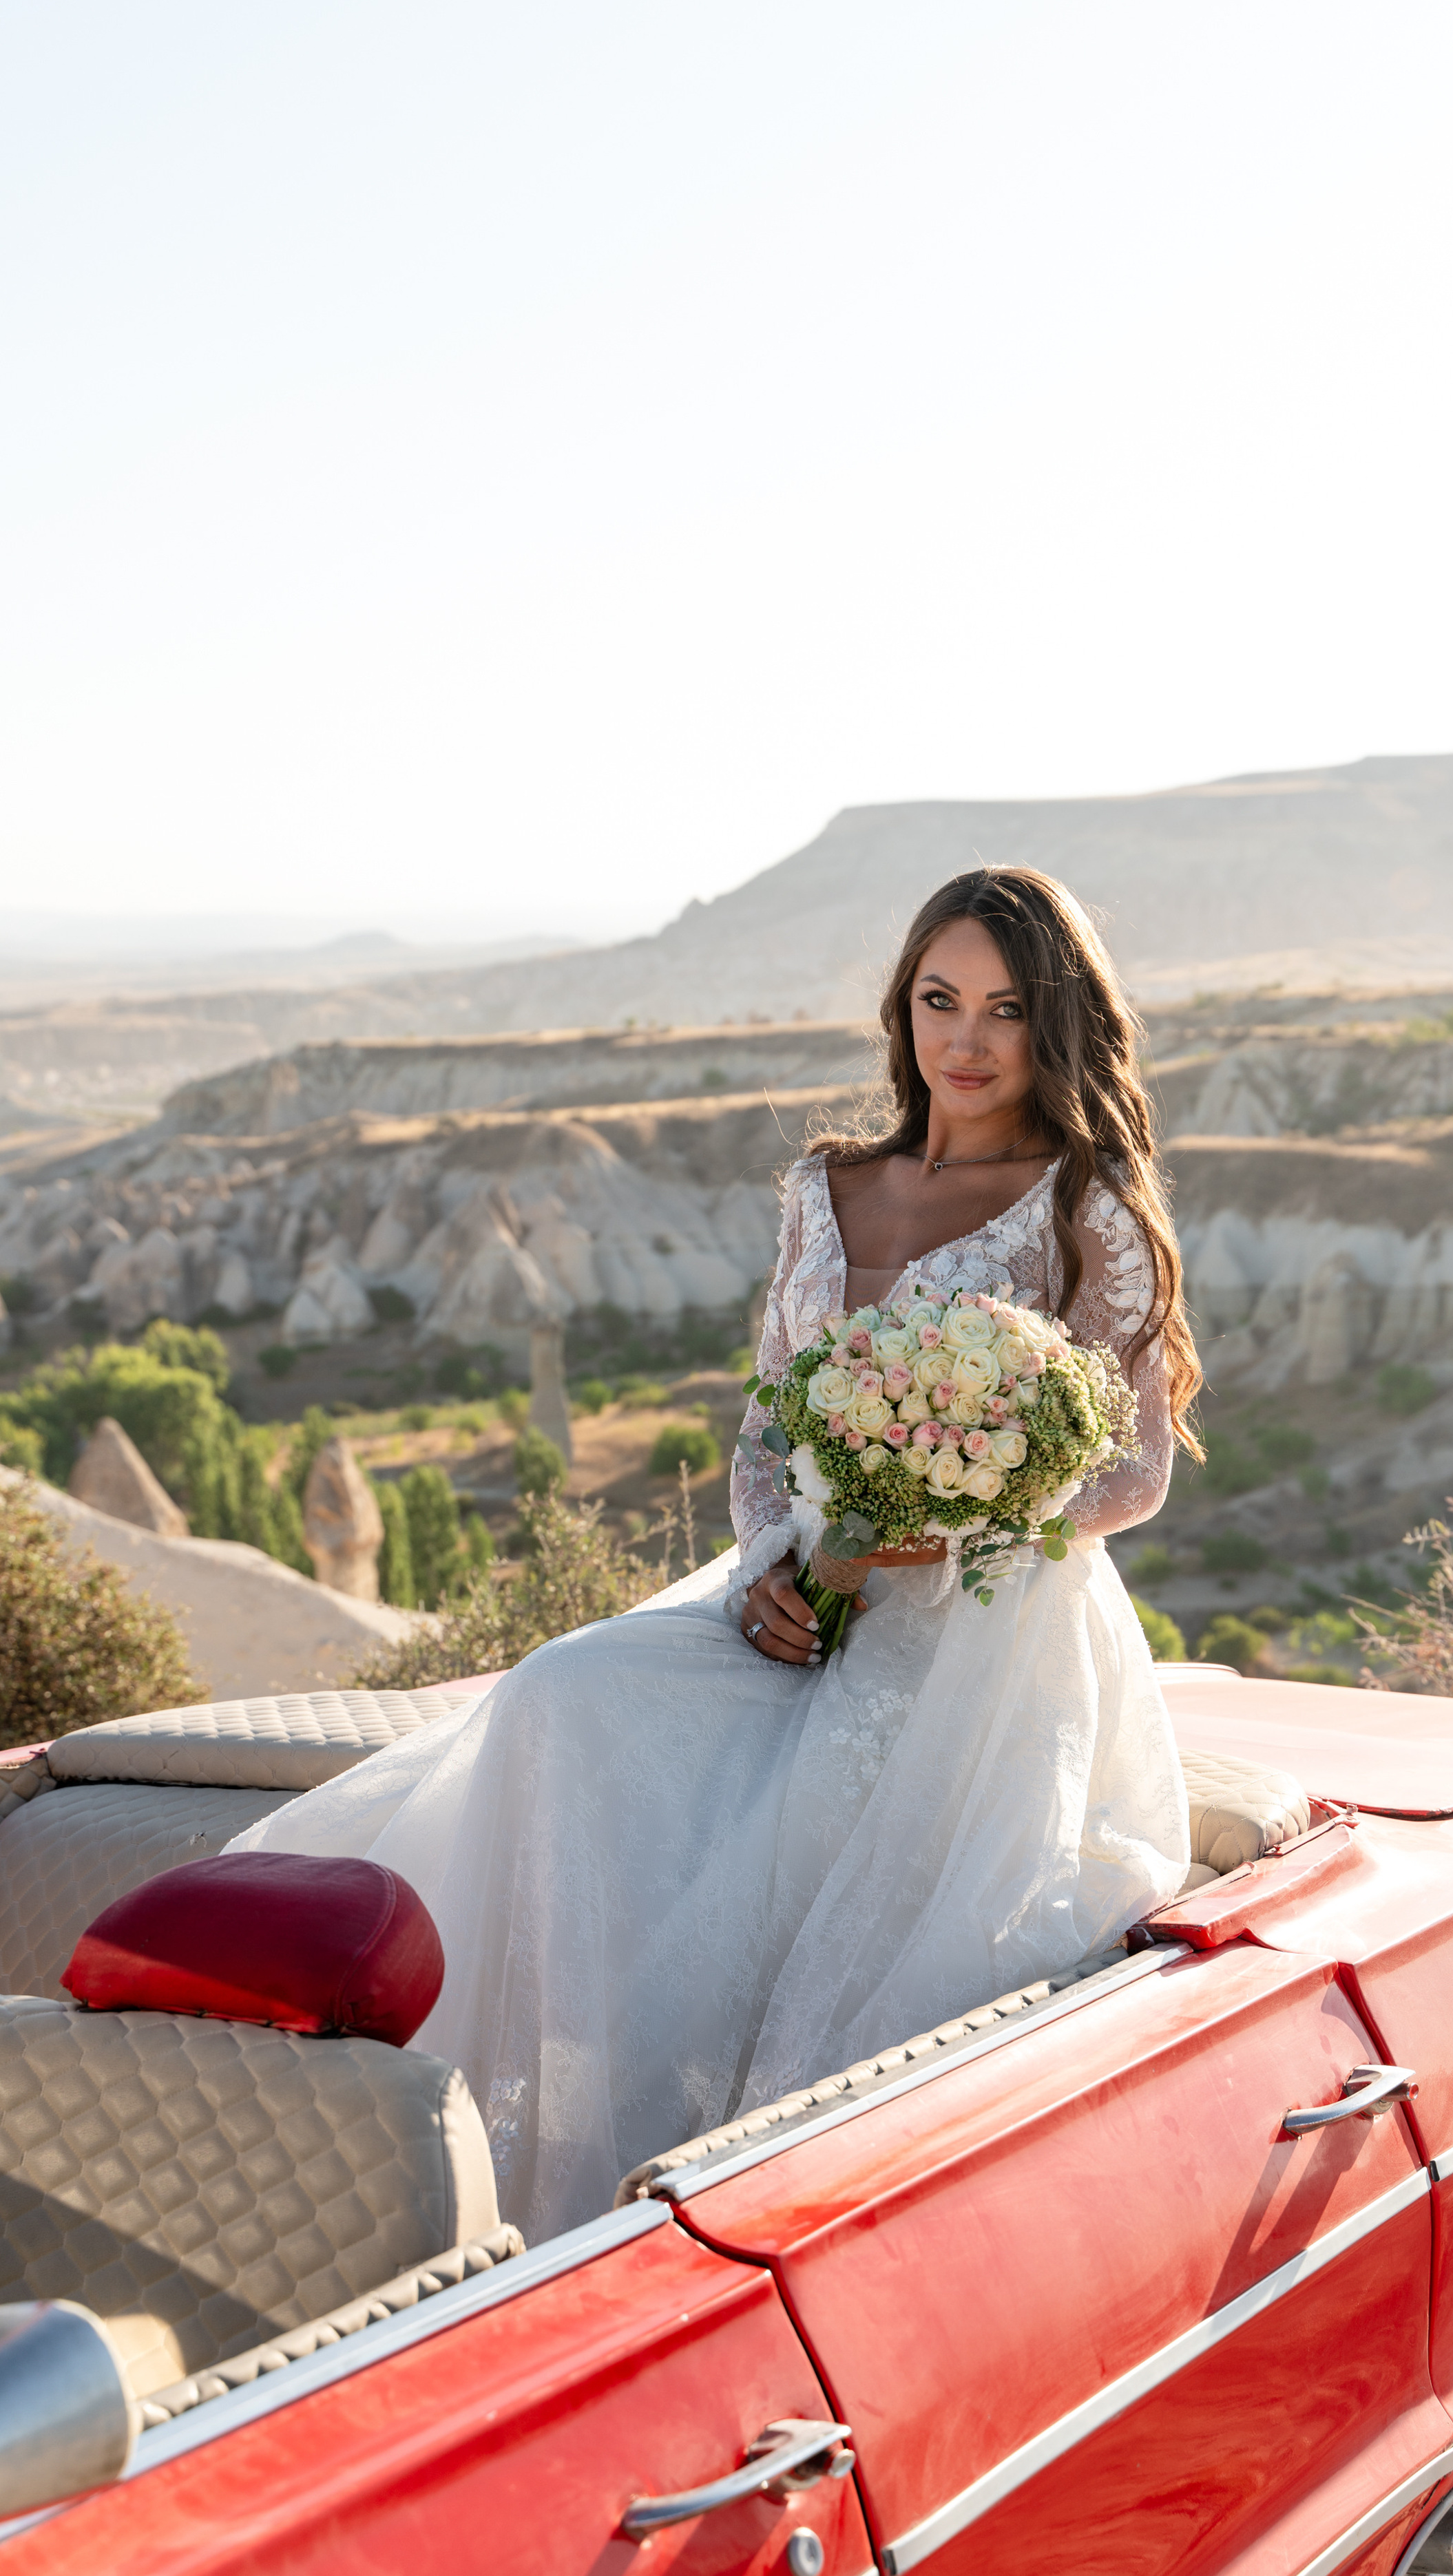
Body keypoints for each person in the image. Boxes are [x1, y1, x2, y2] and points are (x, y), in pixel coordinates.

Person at [226, 867, 1205, 2246]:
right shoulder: (822, 1190)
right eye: (938, 1000)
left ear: (1058, 1026)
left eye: (1004, 1007)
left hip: (984, 1623)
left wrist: (933, 1529)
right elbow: (764, 1430)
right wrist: (766, 1569)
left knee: (841, 1870)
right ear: (901, 1010)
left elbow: (1130, 1474)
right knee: (563, 1690)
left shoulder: (1083, 1204)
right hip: (793, 1590)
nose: (965, 1040)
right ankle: (485, 2155)